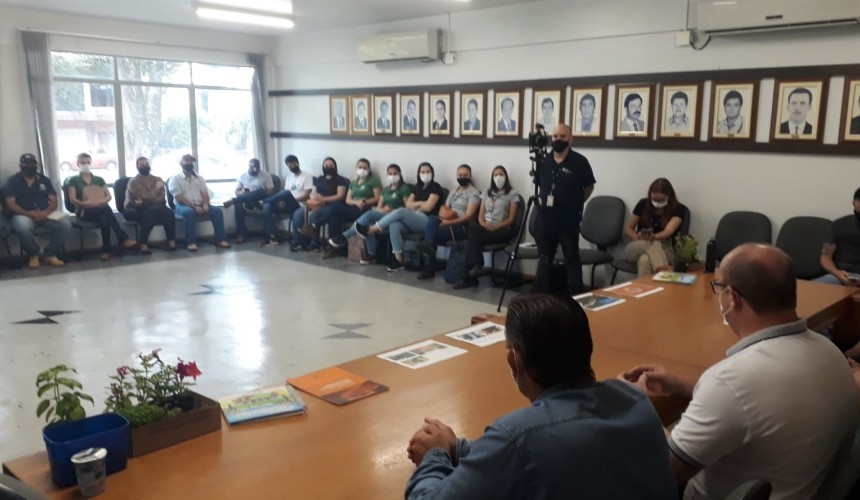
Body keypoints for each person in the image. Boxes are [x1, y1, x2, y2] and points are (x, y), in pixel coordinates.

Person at [620, 244, 857, 500]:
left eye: (719, 287)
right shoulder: (831, 352)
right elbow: (755, 399)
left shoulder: (730, 380)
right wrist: (679, 383)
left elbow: (664, 471)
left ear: (731, 297)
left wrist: (642, 406)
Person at [405, 293, 676, 500]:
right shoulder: (636, 400)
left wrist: (435, 455)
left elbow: (522, 449)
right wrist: (459, 449)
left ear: (514, 360)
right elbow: (532, 454)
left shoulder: (516, 436)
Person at [534, 124, 596, 294]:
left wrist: (575, 202)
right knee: (544, 258)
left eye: (562, 136)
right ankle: (542, 293)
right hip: (547, 218)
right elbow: (540, 185)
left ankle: (576, 293)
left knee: (571, 257)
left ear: (570, 139)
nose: (557, 139)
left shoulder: (579, 161)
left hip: (568, 220)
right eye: (554, 136)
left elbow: (589, 187)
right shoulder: (543, 161)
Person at [355, 162, 443, 272]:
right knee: (394, 224)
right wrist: (421, 203)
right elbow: (408, 204)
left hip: (427, 221)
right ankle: (399, 260)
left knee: (401, 211)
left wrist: (416, 206)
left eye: (428, 172)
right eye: (422, 172)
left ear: (432, 173)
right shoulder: (417, 187)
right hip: (413, 218)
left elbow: (429, 207)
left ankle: (373, 229)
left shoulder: (435, 187)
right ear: (419, 174)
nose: (425, 174)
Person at [452, 166, 520, 289]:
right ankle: (476, 267)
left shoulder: (512, 194)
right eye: (495, 175)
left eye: (501, 174)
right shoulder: (486, 191)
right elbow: (481, 214)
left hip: (502, 230)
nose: (498, 177)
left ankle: (468, 276)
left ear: (506, 177)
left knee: (472, 239)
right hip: (484, 227)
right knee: (473, 229)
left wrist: (496, 226)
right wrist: (483, 224)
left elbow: (511, 219)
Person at [3, 154, 71, 268]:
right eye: (27, 164)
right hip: (22, 214)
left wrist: (45, 213)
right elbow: (11, 204)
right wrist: (28, 213)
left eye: (33, 164)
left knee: (65, 225)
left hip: (45, 213)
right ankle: (33, 255)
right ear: (21, 166)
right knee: (23, 226)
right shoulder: (12, 181)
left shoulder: (44, 180)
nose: (30, 166)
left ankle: (50, 253)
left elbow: (54, 201)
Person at [66, 152, 136, 260]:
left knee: (104, 219)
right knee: (106, 209)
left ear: (91, 163)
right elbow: (73, 199)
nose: (85, 164)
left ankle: (106, 251)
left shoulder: (98, 179)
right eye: (83, 162)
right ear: (78, 164)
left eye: (88, 162)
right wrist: (85, 203)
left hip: (99, 208)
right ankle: (123, 237)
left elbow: (108, 196)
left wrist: (98, 202)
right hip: (84, 210)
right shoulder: (73, 180)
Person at [416, 164, 481, 280]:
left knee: (431, 234)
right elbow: (444, 209)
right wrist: (444, 219)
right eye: (460, 175)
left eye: (465, 175)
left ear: (470, 176)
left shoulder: (474, 193)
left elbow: (468, 217)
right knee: (431, 220)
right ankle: (428, 247)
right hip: (446, 221)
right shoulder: (453, 191)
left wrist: (447, 223)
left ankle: (428, 266)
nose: (462, 177)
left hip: (462, 226)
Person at [340, 163, 412, 264]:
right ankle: (372, 254)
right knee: (367, 224)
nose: (392, 176)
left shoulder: (404, 188)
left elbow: (407, 208)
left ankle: (345, 236)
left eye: (395, 173)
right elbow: (379, 206)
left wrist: (391, 210)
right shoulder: (386, 189)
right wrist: (383, 209)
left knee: (369, 215)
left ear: (400, 174)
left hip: (396, 217)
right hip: (384, 215)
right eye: (390, 174)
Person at [316, 158, 381, 258]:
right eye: (360, 167)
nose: (362, 169)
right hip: (351, 208)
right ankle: (334, 248)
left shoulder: (373, 181)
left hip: (364, 209)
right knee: (334, 217)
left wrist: (364, 202)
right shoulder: (353, 183)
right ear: (356, 168)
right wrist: (356, 202)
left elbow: (377, 198)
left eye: (365, 167)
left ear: (369, 169)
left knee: (336, 208)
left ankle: (315, 225)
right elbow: (347, 200)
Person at [623, 178, 686, 277]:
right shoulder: (643, 204)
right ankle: (665, 280)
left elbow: (669, 231)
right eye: (654, 199)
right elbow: (628, 228)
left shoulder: (679, 209)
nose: (657, 202)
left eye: (661, 200)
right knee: (652, 245)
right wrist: (637, 237)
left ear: (669, 197)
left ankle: (644, 290)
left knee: (644, 260)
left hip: (666, 248)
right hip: (638, 245)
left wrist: (653, 237)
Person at [167, 154, 231, 251]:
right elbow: (179, 198)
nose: (189, 163)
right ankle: (191, 242)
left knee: (217, 211)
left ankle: (220, 239)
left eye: (191, 161)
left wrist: (205, 204)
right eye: (186, 161)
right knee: (189, 212)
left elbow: (205, 193)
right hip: (182, 206)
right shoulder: (174, 179)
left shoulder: (199, 178)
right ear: (181, 164)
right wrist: (194, 207)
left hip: (200, 204)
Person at [291, 157, 348, 252]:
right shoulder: (320, 179)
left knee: (314, 215)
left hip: (330, 205)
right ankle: (299, 242)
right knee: (297, 213)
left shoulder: (340, 180)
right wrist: (314, 196)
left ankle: (315, 245)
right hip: (316, 203)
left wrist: (324, 199)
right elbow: (312, 192)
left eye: (330, 165)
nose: (328, 167)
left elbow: (340, 196)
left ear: (335, 167)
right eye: (326, 165)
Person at [123, 156, 177, 254]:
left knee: (168, 213)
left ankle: (171, 242)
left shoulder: (157, 179)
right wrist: (156, 189)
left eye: (146, 164)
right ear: (137, 166)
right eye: (142, 165)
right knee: (149, 215)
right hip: (134, 208)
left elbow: (161, 198)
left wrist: (148, 198)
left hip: (156, 206)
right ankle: (143, 244)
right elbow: (143, 196)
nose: (145, 166)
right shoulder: (134, 182)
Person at [259, 155, 313, 248]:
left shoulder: (307, 176)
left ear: (298, 163)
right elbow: (285, 195)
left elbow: (306, 194)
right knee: (267, 207)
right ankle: (272, 238)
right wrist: (283, 202)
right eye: (290, 165)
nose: (292, 166)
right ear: (287, 166)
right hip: (287, 204)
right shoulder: (289, 177)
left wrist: (290, 199)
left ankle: (262, 201)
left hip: (299, 205)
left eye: (294, 164)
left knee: (286, 194)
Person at [224, 158, 274, 244]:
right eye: (253, 167)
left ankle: (233, 201)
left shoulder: (265, 175)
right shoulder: (242, 176)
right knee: (238, 206)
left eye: (257, 167)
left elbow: (270, 190)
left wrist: (258, 193)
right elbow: (236, 191)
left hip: (261, 200)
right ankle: (241, 235)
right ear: (249, 166)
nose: (255, 169)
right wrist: (242, 192)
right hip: (246, 201)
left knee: (260, 191)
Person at [818, 187, 860, 286]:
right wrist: (837, 273)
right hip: (839, 276)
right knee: (811, 292)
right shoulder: (840, 224)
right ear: (853, 204)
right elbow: (825, 257)